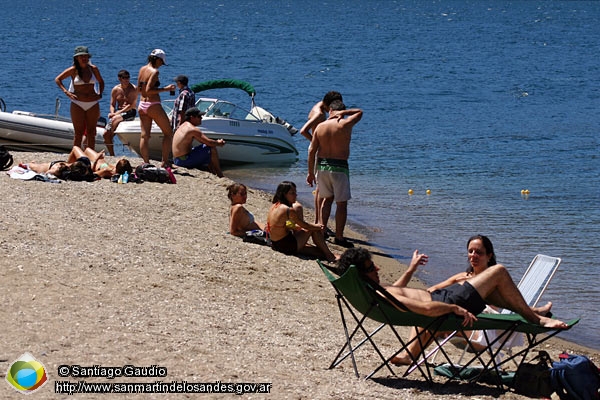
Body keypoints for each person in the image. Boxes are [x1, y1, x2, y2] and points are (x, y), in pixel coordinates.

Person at [336, 247, 569, 365]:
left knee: (487, 289)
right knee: (498, 272)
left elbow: (398, 291)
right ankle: (537, 318)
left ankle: (530, 311)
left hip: (443, 297)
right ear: (360, 274)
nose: (377, 269)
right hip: (444, 303)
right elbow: (425, 311)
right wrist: (453, 310)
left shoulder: (372, 290)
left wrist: (411, 269)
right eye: (371, 268)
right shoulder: (381, 295)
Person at [307, 99, 363, 248]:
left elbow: (312, 151)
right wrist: (344, 113)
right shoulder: (344, 124)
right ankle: (339, 236)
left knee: (326, 200)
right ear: (340, 112)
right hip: (339, 167)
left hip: (323, 167)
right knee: (341, 204)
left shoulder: (320, 127)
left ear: (330, 110)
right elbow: (360, 112)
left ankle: (322, 229)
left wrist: (310, 173)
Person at [266, 181, 338, 262]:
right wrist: (318, 226)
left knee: (316, 251)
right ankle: (330, 255)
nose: (296, 195)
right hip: (285, 246)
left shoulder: (275, 205)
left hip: (275, 244)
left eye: (295, 192)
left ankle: (328, 254)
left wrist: (296, 227)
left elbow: (278, 225)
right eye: (292, 193)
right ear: (284, 194)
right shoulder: (288, 210)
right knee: (313, 229)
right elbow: (306, 226)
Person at [300, 91, 343, 226]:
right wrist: (317, 142)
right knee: (320, 188)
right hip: (317, 149)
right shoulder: (319, 113)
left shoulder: (318, 105)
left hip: (317, 148)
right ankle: (318, 221)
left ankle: (318, 220)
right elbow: (303, 130)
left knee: (320, 188)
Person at [55, 45, 104, 150]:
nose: (84, 58)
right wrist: (67, 92)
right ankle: (76, 158)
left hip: (92, 103)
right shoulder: (73, 70)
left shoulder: (93, 69)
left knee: (91, 132)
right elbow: (58, 79)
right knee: (78, 133)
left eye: (86, 56)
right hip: (77, 103)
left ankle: (91, 157)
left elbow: (101, 81)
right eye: (81, 56)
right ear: (76, 58)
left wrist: (100, 94)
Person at [137, 49, 176, 167]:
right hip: (152, 105)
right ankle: (165, 162)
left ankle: (146, 162)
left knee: (144, 136)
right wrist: (166, 89)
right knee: (168, 133)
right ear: (157, 59)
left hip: (142, 104)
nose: (161, 65)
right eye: (161, 62)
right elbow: (149, 90)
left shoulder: (142, 69)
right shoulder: (154, 72)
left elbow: (139, 89)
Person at [172, 107, 225, 177]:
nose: (201, 118)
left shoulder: (183, 125)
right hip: (183, 161)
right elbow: (209, 143)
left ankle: (212, 171)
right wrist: (219, 143)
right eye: (199, 116)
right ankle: (219, 174)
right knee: (211, 148)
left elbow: (204, 142)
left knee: (206, 148)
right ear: (192, 117)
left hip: (176, 159)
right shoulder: (192, 129)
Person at [104, 70, 137, 156]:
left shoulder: (133, 89)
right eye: (124, 78)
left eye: (128, 77)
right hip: (118, 113)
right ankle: (112, 154)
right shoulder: (116, 89)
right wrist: (112, 112)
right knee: (105, 135)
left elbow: (131, 105)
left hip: (129, 112)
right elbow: (112, 104)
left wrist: (116, 114)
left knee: (115, 120)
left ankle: (111, 135)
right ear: (119, 79)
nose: (127, 80)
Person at [66, 146, 132, 179]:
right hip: (99, 161)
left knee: (75, 148)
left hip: (91, 163)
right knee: (87, 149)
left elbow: (92, 173)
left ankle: (67, 166)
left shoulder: (107, 171)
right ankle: (74, 165)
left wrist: (97, 158)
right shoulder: (117, 169)